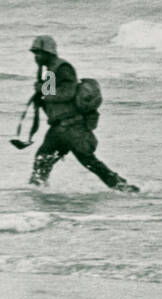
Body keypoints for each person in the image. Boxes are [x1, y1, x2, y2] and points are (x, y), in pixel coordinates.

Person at [27, 36, 137, 192]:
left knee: (89, 162)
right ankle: (38, 194)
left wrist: (42, 90)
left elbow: (67, 93)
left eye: (39, 53)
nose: (36, 57)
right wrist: (42, 97)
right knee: (41, 161)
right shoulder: (50, 69)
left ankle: (124, 187)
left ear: (48, 53)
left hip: (72, 127)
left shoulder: (63, 68)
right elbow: (51, 95)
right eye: (35, 53)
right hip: (59, 128)